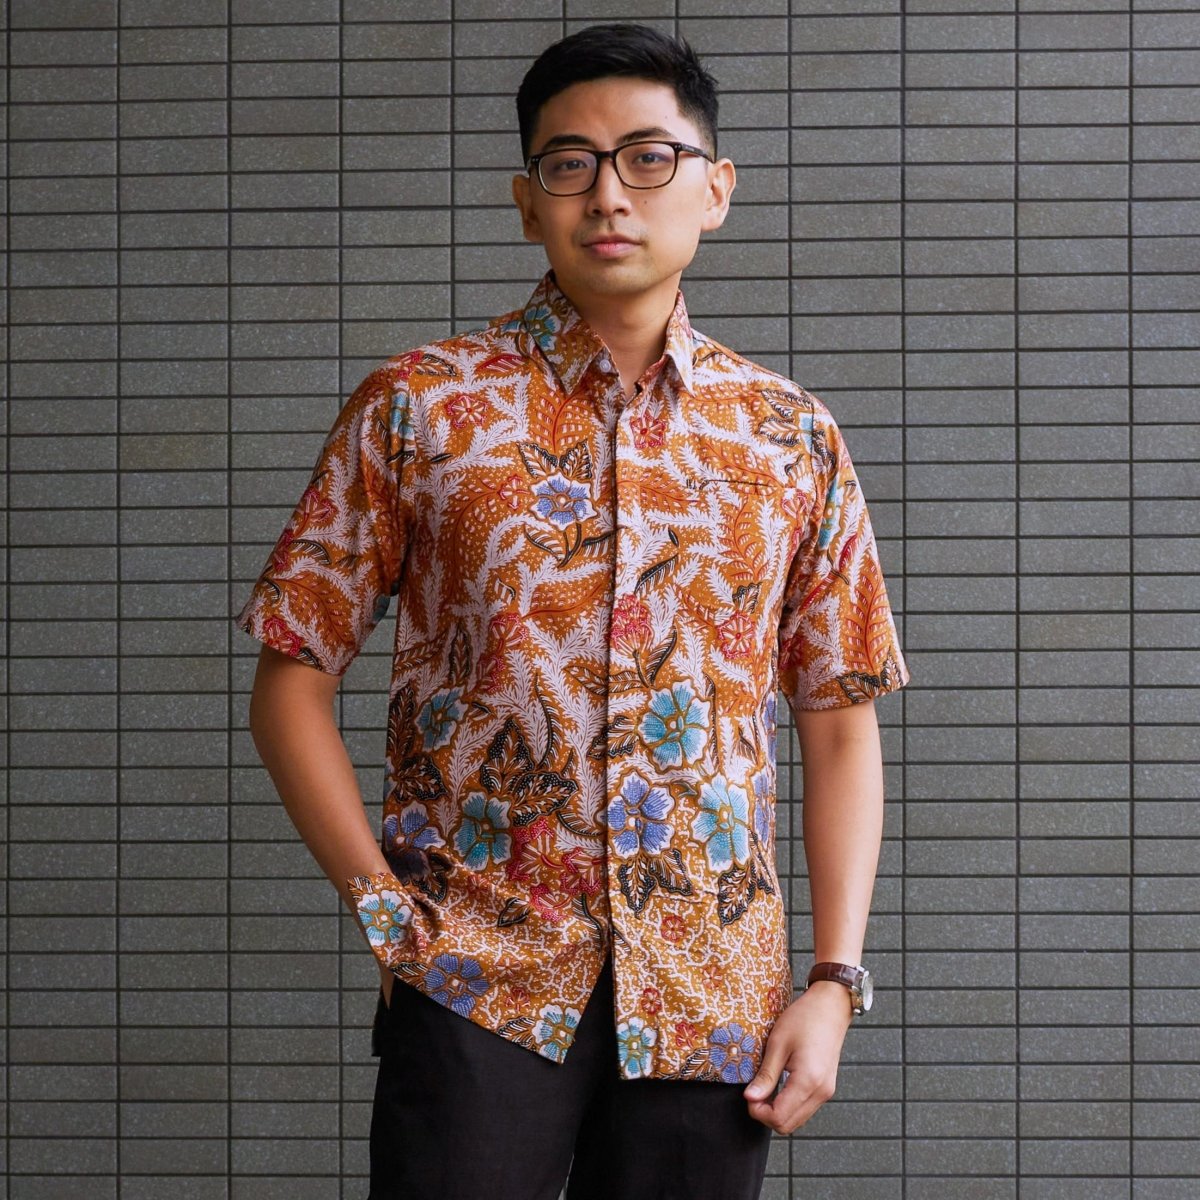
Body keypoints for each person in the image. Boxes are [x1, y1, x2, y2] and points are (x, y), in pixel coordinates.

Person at [235, 20, 911, 1200]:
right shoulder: (421, 408)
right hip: (477, 975)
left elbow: (841, 723)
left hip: (711, 990)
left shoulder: (789, 438)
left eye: (649, 157)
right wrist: (389, 917)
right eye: (570, 163)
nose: (609, 193)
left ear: (715, 189)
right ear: (527, 202)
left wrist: (833, 982)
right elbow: (291, 679)